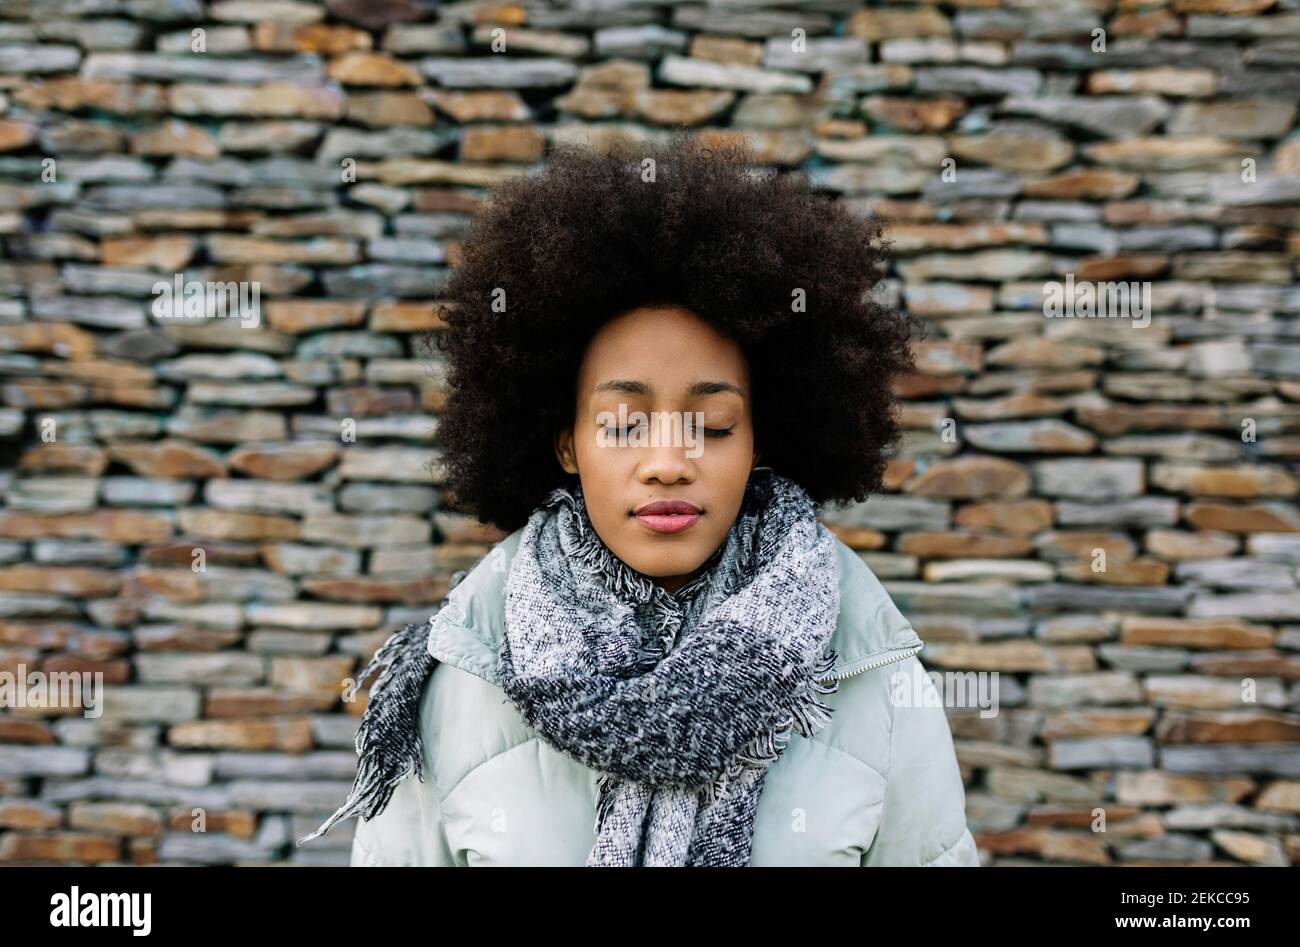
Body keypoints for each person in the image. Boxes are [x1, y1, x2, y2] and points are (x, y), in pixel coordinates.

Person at [299, 138, 979, 867]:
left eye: (712, 426)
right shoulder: (460, 678)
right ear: (566, 444)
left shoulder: (872, 677)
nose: (666, 463)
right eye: (623, 424)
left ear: (760, 442)